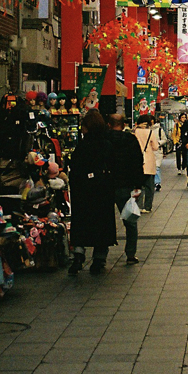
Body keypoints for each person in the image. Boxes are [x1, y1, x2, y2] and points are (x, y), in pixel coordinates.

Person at [68, 110, 117, 275]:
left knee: (81, 222)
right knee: (102, 224)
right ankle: (99, 258)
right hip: (102, 190)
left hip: (83, 191)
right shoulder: (106, 144)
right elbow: (113, 167)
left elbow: (74, 168)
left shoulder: (82, 146)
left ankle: (79, 255)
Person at [108, 114, 145, 266]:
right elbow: (138, 162)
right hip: (126, 185)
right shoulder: (130, 139)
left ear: (109, 125)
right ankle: (130, 253)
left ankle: (101, 255)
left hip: (106, 185)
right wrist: (138, 185)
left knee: (105, 220)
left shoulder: (104, 139)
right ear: (123, 125)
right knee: (130, 220)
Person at [134, 114, 160, 213]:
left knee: (138, 185)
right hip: (148, 161)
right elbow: (155, 147)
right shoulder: (150, 132)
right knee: (149, 186)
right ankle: (147, 207)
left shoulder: (134, 132)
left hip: (137, 160)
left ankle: (138, 206)